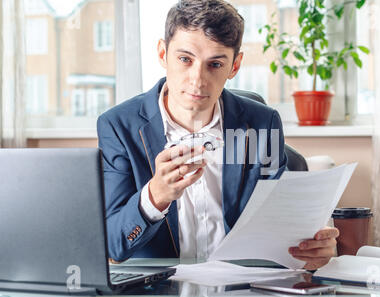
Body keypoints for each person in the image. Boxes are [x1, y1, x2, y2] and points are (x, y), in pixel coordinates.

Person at [97, 0, 339, 270]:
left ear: (234, 66)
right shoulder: (118, 127)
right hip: (160, 289)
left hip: (243, 290)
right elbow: (112, 246)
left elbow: (279, 224)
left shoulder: (262, 124)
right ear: (162, 53)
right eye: (185, 59)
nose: (197, 80)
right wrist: (156, 196)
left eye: (214, 64)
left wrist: (311, 249)